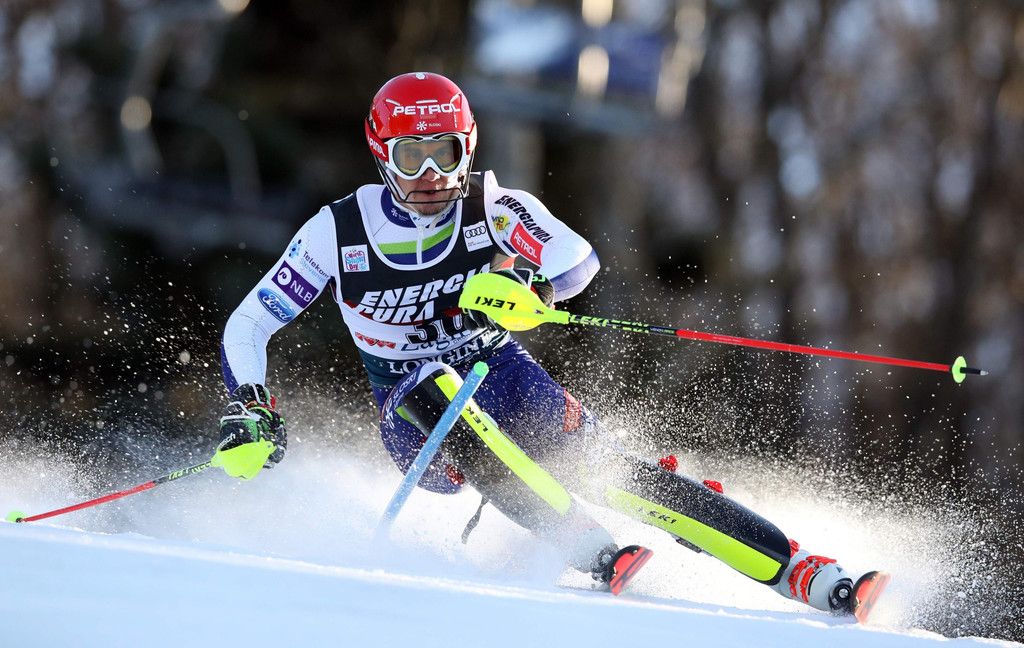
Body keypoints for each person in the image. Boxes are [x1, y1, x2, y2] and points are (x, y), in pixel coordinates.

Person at [218, 71, 884, 613]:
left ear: (467, 149)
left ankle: (805, 572)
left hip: (499, 370)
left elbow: (576, 259)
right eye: (410, 156)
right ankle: (584, 544)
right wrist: (251, 405)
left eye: (444, 153)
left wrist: (532, 286)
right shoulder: (337, 232)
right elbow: (249, 323)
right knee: (433, 387)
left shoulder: (492, 207)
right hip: (412, 414)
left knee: (610, 472)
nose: (431, 174)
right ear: (381, 154)